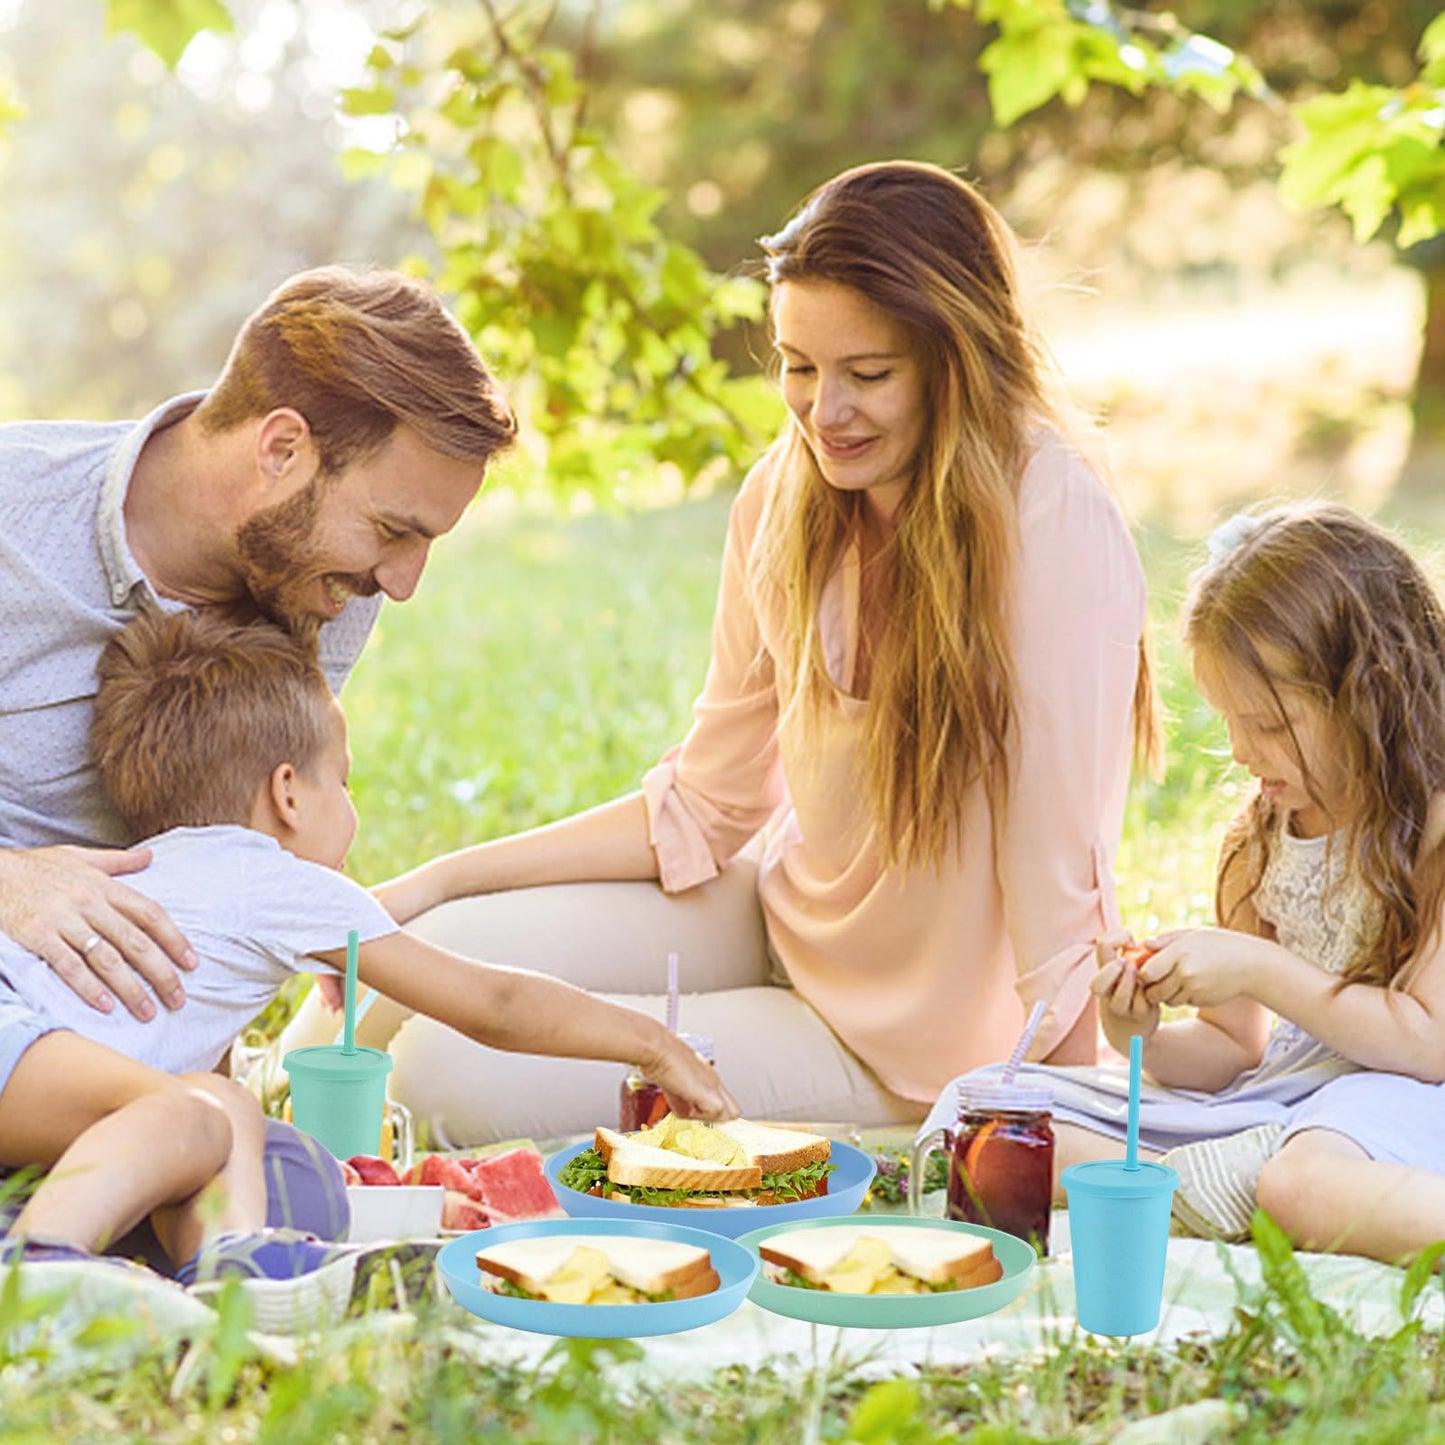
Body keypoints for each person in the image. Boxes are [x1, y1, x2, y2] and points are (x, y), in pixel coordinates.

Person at [274, 159, 1156, 1143]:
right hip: (778, 919)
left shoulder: (1048, 517)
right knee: (410, 959)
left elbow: (1056, 867)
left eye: (868, 374)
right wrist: (437, 879)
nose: (825, 413)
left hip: (905, 1041)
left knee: (440, 1076)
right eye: (797, 365)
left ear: (955, 361)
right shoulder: (787, 494)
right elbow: (705, 803)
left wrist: (1056, 1131)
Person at [0, 263, 516, 1239]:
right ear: (281, 447)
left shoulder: (323, 587)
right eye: (394, 529)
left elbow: (243, 841)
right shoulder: (10, 512)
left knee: (293, 1191)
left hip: (113, 1072)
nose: (401, 583)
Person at [0, 610, 736, 1292]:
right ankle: (37, 1272)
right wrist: (652, 1043)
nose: (353, 808)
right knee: (205, 1117)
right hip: (19, 1050)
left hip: (35, 1086)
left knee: (235, 1120)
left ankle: (239, 1271)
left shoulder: (159, 869)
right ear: (287, 794)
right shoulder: (277, 878)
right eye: (346, 782)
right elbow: (495, 1005)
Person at [933, 503, 1445, 1266]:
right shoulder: (1261, 840)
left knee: (1301, 1186)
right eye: (1228, 721)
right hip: (1280, 1098)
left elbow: (1428, 1044)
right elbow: (1231, 1049)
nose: (1240, 749)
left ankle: (1236, 1184)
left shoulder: (1431, 831)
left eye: (1268, 724)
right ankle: (1200, 1182)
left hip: (1405, 1097)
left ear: (1366, 692)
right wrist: (1134, 1037)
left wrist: (1260, 968)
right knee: (975, 1112)